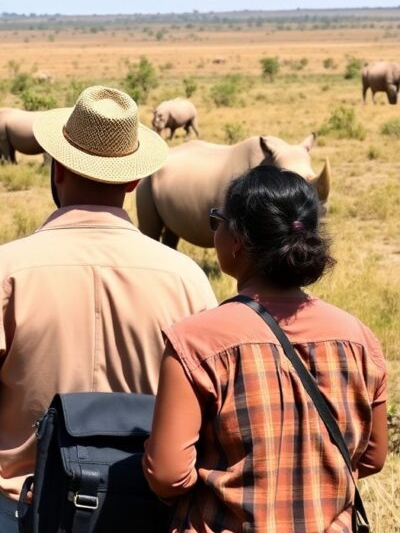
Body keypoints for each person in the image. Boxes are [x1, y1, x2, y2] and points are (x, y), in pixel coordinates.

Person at [0, 86, 218, 532]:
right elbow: (212, 412)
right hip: (148, 510)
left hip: (22, 506)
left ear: (57, 167)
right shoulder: (187, 279)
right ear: (133, 180)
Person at [143, 165, 388, 532]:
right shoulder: (360, 338)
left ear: (237, 240)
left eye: (218, 221)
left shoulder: (195, 341)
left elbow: (167, 474)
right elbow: (374, 456)